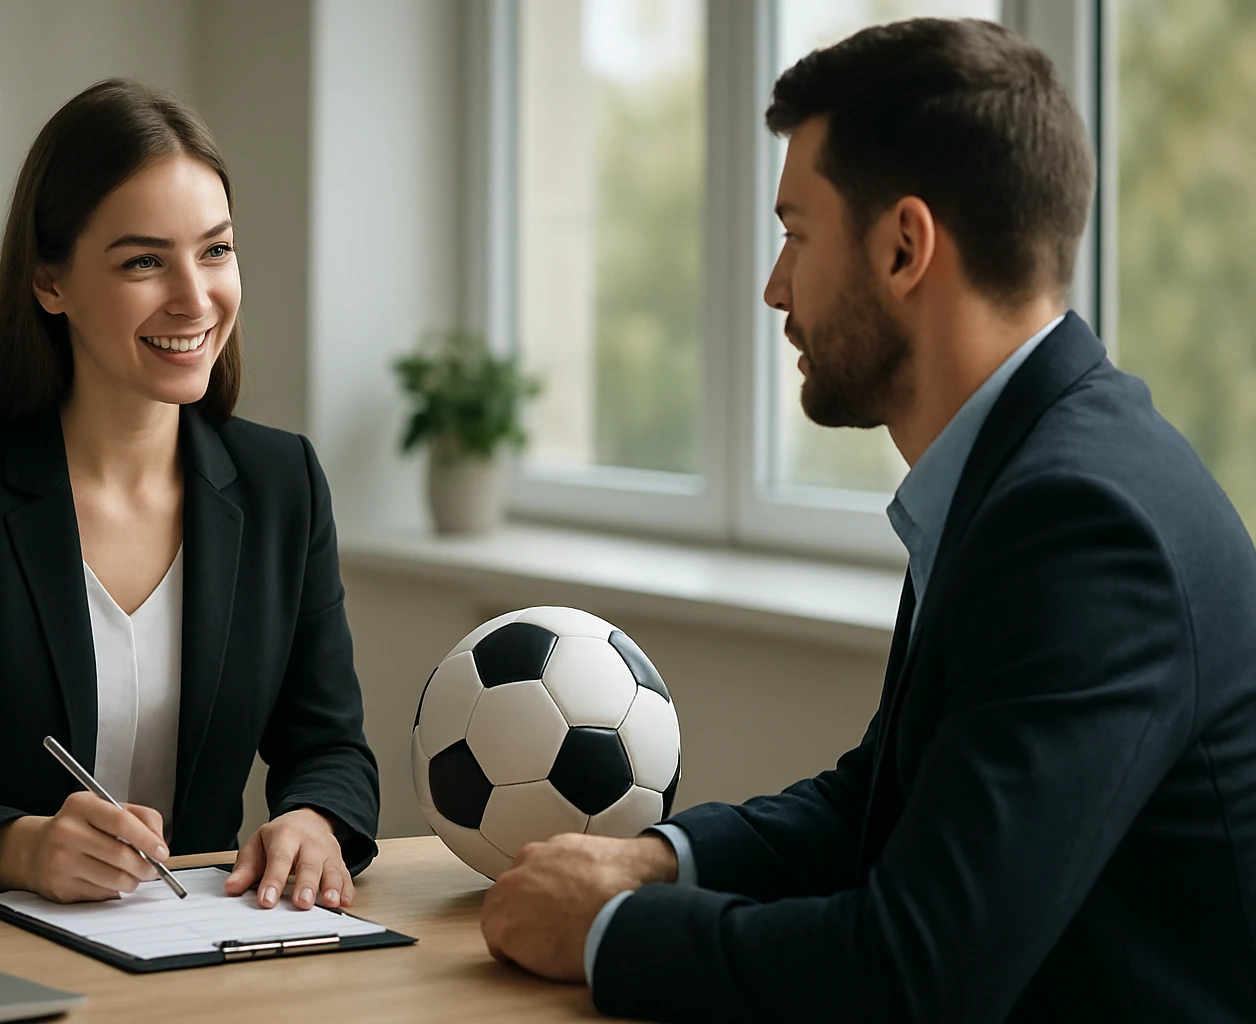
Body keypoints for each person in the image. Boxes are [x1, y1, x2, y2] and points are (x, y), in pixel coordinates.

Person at [479, 18, 1256, 1021]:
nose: (773, 288)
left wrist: (603, 932)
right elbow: (876, 804)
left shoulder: (1082, 525)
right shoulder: (1022, 467)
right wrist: (655, 861)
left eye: (796, 234)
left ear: (903, 247)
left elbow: (916, 974)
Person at [0, 79, 380, 912]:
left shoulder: (281, 484)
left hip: (202, 952)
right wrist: (18, 847)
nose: (195, 297)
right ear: (50, 282)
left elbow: (331, 746)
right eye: (144, 261)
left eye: (215, 250)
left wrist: (316, 819)